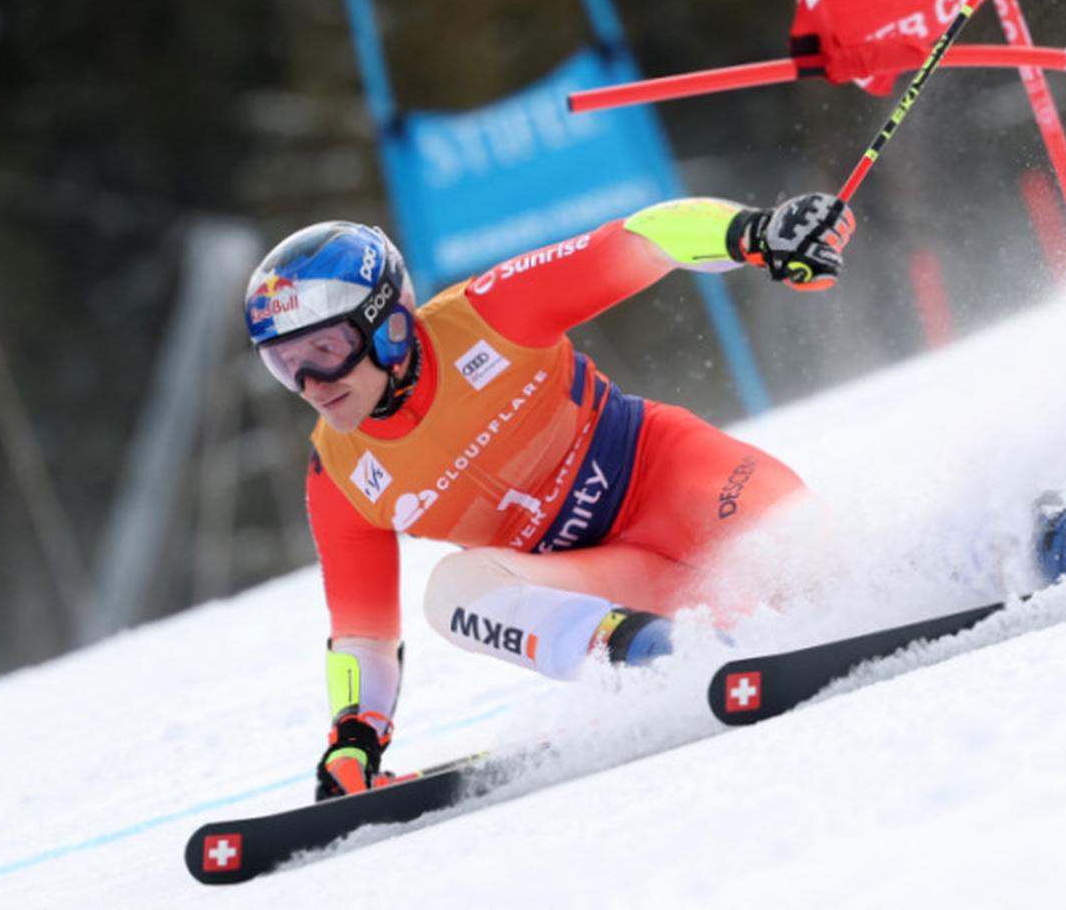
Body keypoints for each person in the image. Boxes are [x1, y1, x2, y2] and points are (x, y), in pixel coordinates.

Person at [245, 192, 858, 800]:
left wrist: (757, 232)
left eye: (324, 352)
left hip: (666, 478)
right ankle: (654, 657)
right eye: (285, 364)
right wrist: (355, 737)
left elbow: (645, 238)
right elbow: (363, 634)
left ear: (389, 325)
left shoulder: (487, 314)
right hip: (612, 584)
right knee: (453, 593)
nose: (310, 385)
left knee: (804, 556)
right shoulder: (340, 474)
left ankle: (875, 583)